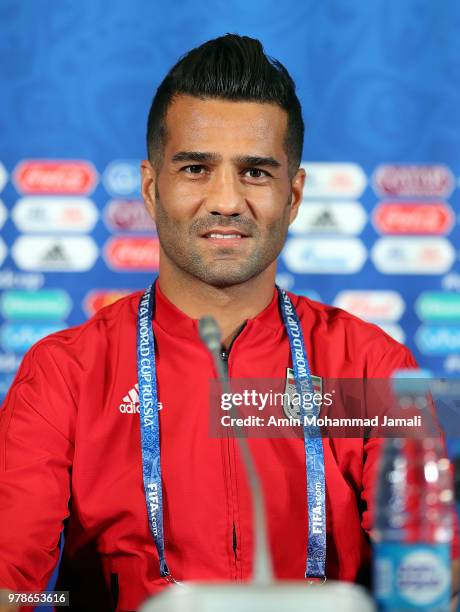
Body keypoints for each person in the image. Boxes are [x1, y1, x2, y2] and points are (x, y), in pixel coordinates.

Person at [0, 34, 457, 612]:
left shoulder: (370, 366)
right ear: (150, 186)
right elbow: (13, 578)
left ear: (293, 195)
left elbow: (430, 563)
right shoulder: (66, 372)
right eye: (195, 168)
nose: (226, 200)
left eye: (256, 173)